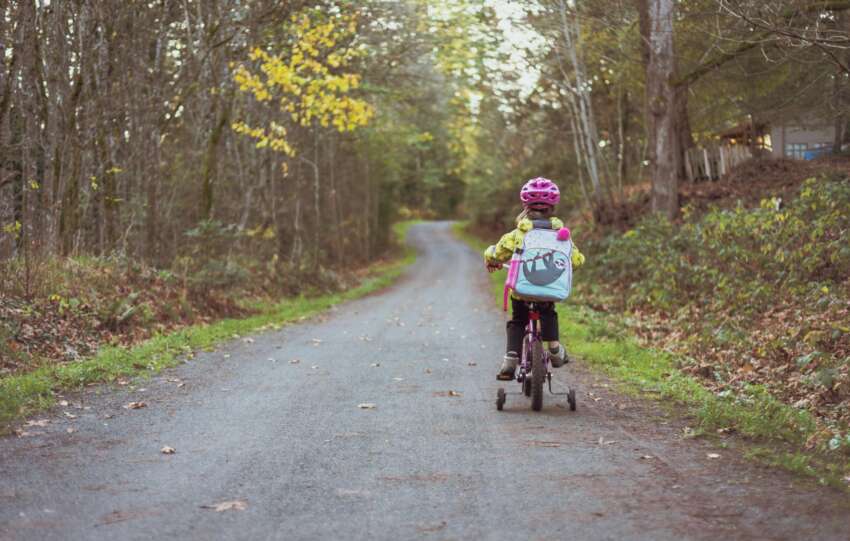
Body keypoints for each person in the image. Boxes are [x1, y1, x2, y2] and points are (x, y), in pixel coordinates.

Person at [483, 177, 585, 381]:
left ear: (525, 206)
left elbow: (498, 252)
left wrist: (490, 257)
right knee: (548, 313)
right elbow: (576, 259)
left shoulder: (518, 233)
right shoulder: (561, 235)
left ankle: (511, 359)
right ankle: (555, 349)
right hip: (548, 291)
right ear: (552, 207)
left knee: (518, 320)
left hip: (521, 291)